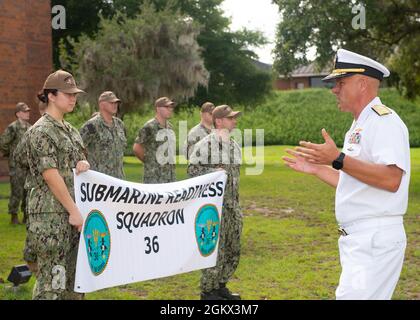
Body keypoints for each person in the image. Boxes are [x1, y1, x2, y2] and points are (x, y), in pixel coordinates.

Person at [282, 49, 410, 300]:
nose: (334, 90)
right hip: (361, 239)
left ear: (362, 84)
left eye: (340, 83)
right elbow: (354, 183)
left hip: (374, 238)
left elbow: (391, 179)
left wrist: (338, 159)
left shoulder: (384, 121)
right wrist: (318, 169)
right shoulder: (359, 125)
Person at [25, 69, 90, 300]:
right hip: (51, 217)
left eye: (75, 94)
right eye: (67, 94)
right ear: (51, 96)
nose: (73, 98)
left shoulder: (71, 131)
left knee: (75, 282)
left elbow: (71, 168)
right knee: (53, 283)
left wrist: (82, 165)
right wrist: (74, 211)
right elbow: (51, 175)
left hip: (73, 216)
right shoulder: (41, 131)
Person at [188, 105, 243, 300]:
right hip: (214, 208)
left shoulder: (234, 145)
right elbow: (192, 172)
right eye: (230, 118)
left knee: (233, 248)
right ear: (219, 121)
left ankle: (220, 285)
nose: (234, 121)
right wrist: (213, 172)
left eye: (234, 118)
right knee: (214, 249)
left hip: (232, 207)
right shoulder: (205, 145)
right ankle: (208, 290)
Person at [14, 101, 49, 273]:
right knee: (34, 228)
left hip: (54, 194)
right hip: (37, 191)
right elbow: (19, 156)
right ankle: (31, 264)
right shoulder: (34, 131)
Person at [79, 91, 127, 179]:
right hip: (99, 180)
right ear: (102, 105)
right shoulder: (91, 126)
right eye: (111, 103)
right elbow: (79, 150)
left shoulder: (120, 124)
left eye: (116, 103)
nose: (115, 105)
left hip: (118, 180)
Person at [0, 102, 32, 224]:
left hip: (28, 166)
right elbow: (3, 143)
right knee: (16, 191)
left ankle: (26, 215)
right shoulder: (12, 128)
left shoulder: (30, 127)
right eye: (25, 111)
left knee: (27, 191)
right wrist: (10, 155)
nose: (27, 113)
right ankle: (13, 215)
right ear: (18, 114)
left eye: (28, 111)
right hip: (16, 166)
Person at [133, 97, 177, 183]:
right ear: (158, 109)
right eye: (167, 107)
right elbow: (136, 148)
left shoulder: (170, 127)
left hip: (170, 177)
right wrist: (150, 162)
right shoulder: (149, 126)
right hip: (154, 177)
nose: (170, 109)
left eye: (171, 107)